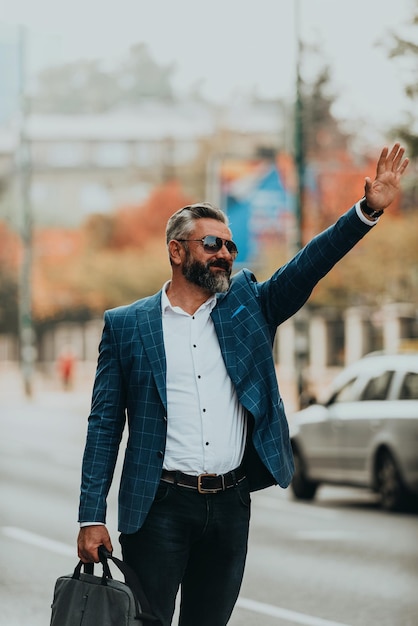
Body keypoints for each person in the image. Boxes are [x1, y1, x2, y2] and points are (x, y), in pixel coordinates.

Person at [77, 144, 408, 625]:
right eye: (212, 244)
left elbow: (308, 265)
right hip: (158, 507)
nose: (225, 254)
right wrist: (91, 516)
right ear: (176, 251)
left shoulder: (248, 307)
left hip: (229, 506)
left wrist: (367, 211)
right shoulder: (127, 326)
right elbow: (104, 424)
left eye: (230, 246)